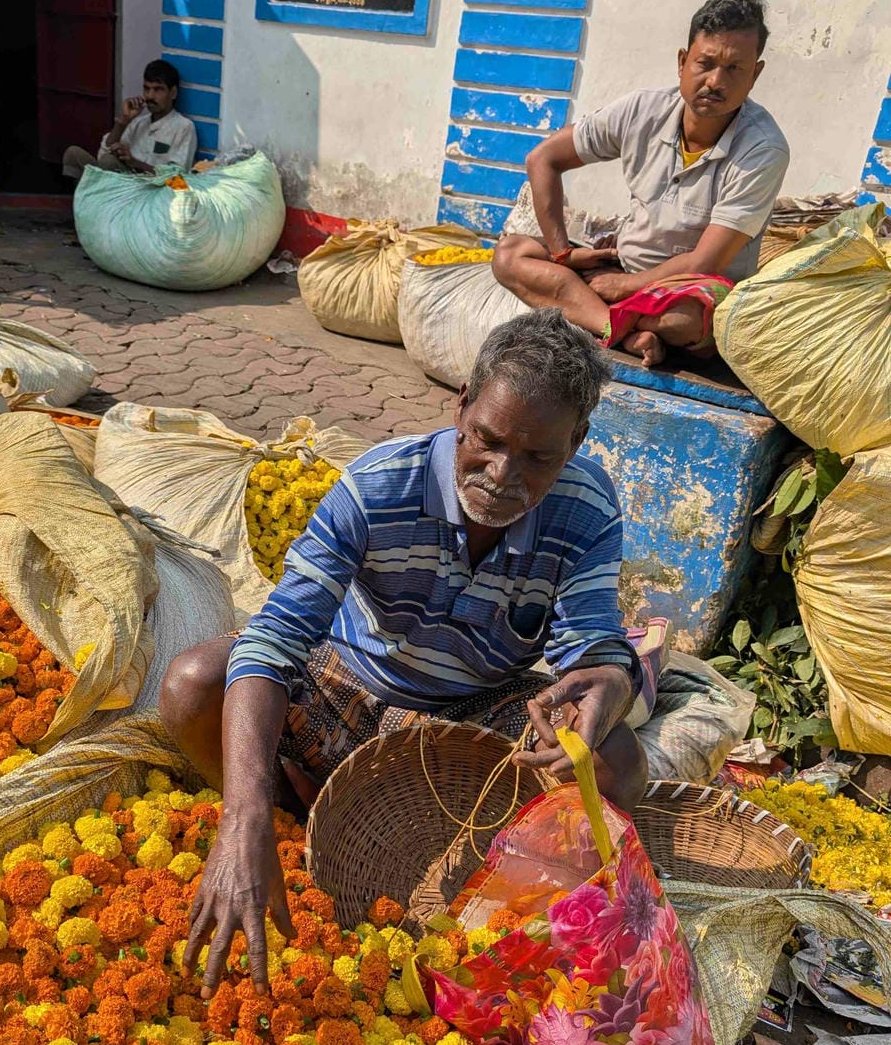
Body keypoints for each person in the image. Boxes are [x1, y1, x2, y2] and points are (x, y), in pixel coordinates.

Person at [160, 310, 647, 996]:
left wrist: (608, 683)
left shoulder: (586, 506)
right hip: (347, 689)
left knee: (616, 760)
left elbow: (591, 645)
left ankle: (484, 893)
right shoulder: (377, 488)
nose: (502, 476)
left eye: (538, 458)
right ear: (462, 409)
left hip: (475, 709)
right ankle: (278, 829)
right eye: (487, 441)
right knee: (192, 684)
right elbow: (274, 641)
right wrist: (243, 815)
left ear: (577, 443)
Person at [492, 0, 789, 367]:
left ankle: (595, 314)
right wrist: (563, 254)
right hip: (619, 268)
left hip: (687, 289)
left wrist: (626, 286)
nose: (715, 81)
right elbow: (543, 159)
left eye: (734, 69)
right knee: (510, 254)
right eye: (705, 63)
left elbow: (706, 262)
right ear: (682, 62)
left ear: (755, 75)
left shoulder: (762, 149)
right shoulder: (642, 110)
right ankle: (622, 331)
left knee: (685, 317)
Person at [62, 58, 197, 180]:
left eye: (158, 90)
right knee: (73, 154)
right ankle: (77, 202)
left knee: (108, 163)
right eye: (146, 89)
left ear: (173, 93)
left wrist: (134, 163)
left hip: (149, 189)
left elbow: (176, 177)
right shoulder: (139, 122)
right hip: (121, 180)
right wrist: (123, 121)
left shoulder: (184, 127)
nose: (150, 96)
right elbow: (102, 154)